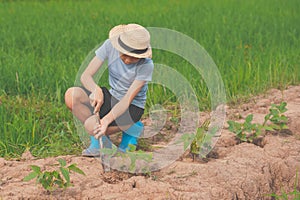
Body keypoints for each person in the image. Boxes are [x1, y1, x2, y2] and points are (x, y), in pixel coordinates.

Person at [64, 23, 154, 157]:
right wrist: (96, 90)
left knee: (93, 126)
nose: (128, 60)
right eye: (124, 55)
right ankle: (102, 141)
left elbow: (127, 99)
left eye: (134, 57)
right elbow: (86, 76)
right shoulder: (109, 45)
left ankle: (133, 127)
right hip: (112, 97)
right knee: (72, 95)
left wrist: (105, 120)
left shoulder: (147, 65)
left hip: (131, 107)